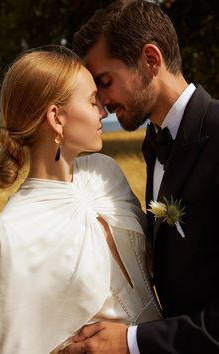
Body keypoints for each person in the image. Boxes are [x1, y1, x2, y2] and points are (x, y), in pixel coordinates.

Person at [62, 0, 219, 353]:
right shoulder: (155, 143)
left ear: (150, 60)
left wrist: (132, 341)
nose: (100, 103)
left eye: (105, 81)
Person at [0, 47, 161, 354]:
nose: (103, 112)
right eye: (93, 101)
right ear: (56, 117)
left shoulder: (106, 172)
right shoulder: (13, 231)